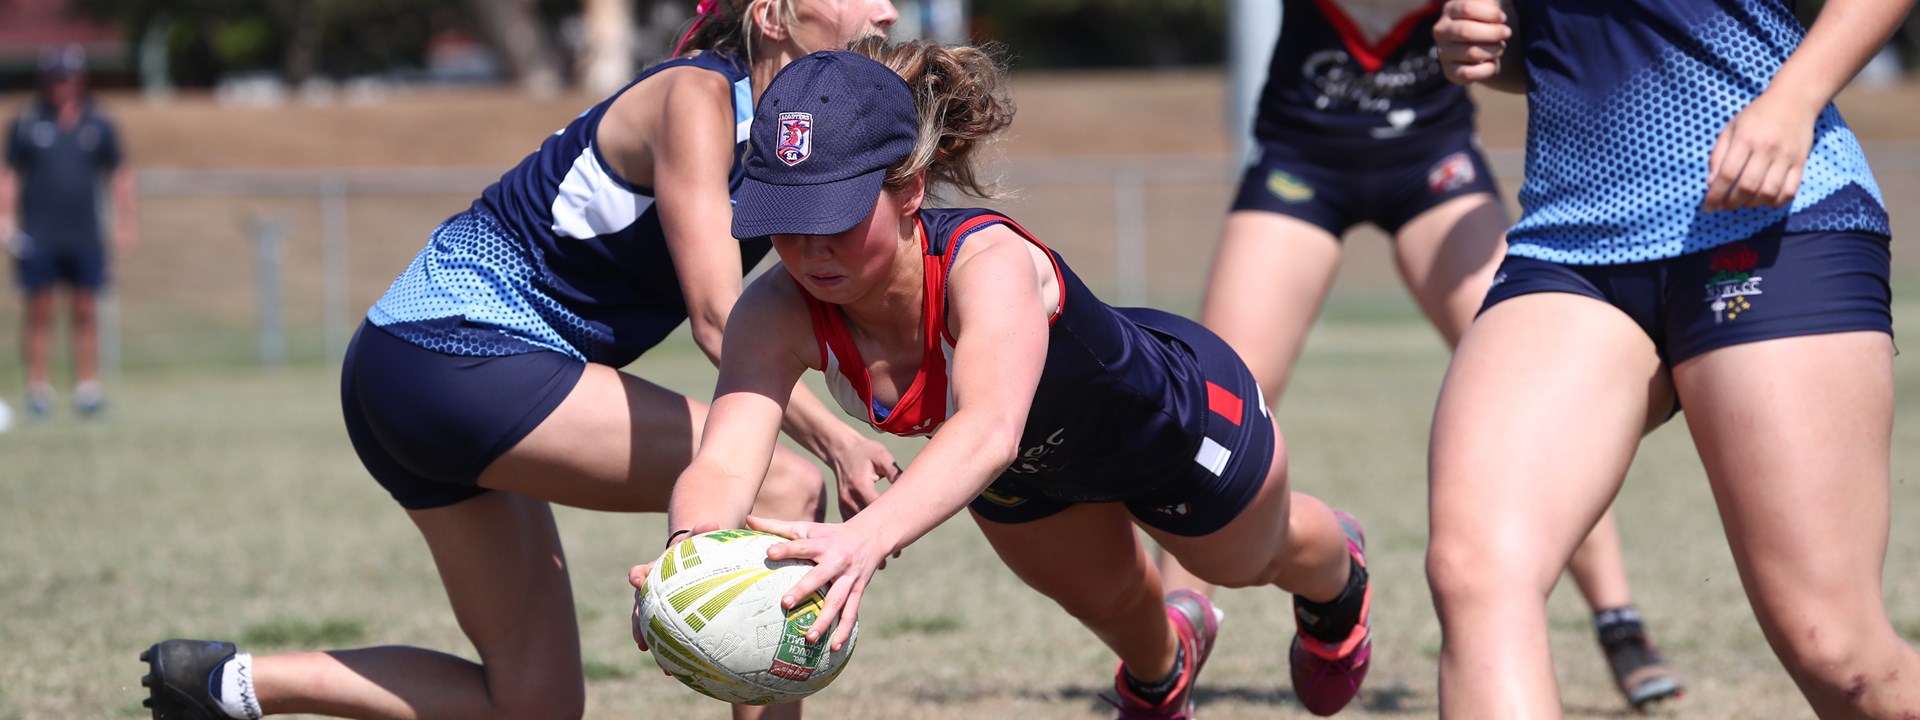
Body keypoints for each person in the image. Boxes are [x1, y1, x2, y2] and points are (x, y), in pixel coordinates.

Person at [138, 2, 900, 719]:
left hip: (406, 369)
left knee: (534, 704)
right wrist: (838, 439)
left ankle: (219, 683)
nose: (889, 12)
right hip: (456, 356)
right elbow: (717, 319)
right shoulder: (698, 98)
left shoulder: (798, 144)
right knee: (787, 485)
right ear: (770, 17)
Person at [629, 41, 1375, 720]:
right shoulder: (775, 310)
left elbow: (988, 426)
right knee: (1113, 606)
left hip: (1172, 423)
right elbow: (726, 460)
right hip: (1027, 472)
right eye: (787, 220)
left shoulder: (985, 263)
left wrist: (861, 541)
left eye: (836, 215)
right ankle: (1163, 675)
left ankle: (1339, 581)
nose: (811, 248)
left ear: (910, 189)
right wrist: (686, 563)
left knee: (1245, 561)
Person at [1153, 0, 1683, 710]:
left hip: (1433, 166)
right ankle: (1171, 637)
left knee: (1541, 395)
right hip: (1299, 162)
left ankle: (1621, 624)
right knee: (1219, 400)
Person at [1430, 0, 1920, 716]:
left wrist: (1795, 97)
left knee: (1838, 651)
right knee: (1475, 574)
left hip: (1771, 214)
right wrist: (1482, 45)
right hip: (1572, 245)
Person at [2, 44, 138, 419]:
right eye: (56, 78)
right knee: (39, 312)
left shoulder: (98, 123)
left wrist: (126, 219)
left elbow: (120, 171)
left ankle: (87, 391)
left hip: (84, 234)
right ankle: (38, 391)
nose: (63, 85)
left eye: (69, 77)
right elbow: (9, 172)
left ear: (80, 79)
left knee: (85, 309)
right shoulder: (27, 123)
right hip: (39, 234)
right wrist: (5, 218)